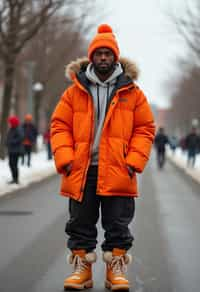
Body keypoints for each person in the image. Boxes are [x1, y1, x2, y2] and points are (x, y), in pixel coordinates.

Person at [51, 24, 155, 291]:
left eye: (108, 53)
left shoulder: (132, 92)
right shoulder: (74, 91)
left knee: (118, 224)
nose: (104, 58)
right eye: (99, 54)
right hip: (82, 168)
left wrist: (133, 161)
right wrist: (66, 158)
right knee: (80, 223)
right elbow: (59, 125)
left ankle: (115, 272)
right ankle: (82, 271)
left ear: (115, 57)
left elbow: (145, 128)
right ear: (92, 56)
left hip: (119, 168)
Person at [6, 115, 24, 184]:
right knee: (11, 164)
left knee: (14, 165)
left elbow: (21, 137)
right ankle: (13, 178)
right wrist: (7, 142)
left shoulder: (18, 129)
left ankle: (16, 179)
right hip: (11, 150)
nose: (9, 124)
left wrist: (12, 141)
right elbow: (9, 137)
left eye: (10, 122)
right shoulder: (11, 128)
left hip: (16, 150)